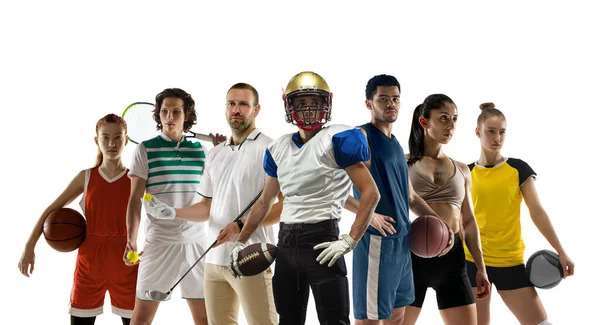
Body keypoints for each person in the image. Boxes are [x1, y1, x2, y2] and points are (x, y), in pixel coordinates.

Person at [226, 71, 380, 325]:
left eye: (314, 104)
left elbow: (371, 193)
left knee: (335, 321)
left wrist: (351, 240)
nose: (308, 110)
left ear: (326, 105)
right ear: (290, 107)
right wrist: (239, 243)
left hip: (323, 242)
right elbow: (265, 202)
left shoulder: (338, 139)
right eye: (301, 104)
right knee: (287, 320)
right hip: (286, 245)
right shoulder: (278, 148)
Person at [143, 83, 281, 325]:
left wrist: (240, 226)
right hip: (214, 261)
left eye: (243, 104)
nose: (236, 110)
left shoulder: (271, 148)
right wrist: (173, 212)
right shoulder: (216, 154)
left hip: (250, 257)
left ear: (256, 110)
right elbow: (206, 209)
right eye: (231, 104)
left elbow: (285, 206)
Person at [344, 75, 452, 324]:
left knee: (398, 314)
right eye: (383, 98)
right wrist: (368, 214)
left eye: (395, 98)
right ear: (369, 103)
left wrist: (442, 225)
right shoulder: (359, 137)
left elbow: (411, 198)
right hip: (375, 244)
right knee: (369, 319)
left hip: (403, 244)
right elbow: (330, 189)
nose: (390, 103)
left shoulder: (395, 144)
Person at [18, 113, 137, 325]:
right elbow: (51, 210)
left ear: (126, 139)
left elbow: (161, 214)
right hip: (90, 262)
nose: (112, 143)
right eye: (105, 137)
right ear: (97, 140)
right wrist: (29, 246)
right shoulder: (87, 177)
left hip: (126, 259)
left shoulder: (136, 178)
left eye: (118, 137)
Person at [464, 102, 575, 325]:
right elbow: (461, 220)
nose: (497, 138)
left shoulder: (518, 169)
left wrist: (561, 251)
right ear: (478, 132)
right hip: (472, 261)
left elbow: (537, 212)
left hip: (508, 260)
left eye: (502, 132)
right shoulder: (466, 172)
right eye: (491, 131)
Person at [402, 94, 491, 325]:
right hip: (411, 257)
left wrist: (481, 268)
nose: (451, 125)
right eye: (443, 118)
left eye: (454, 119)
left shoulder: (462, 169)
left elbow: (469, 222)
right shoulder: (402, 163)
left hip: (452, 260)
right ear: (424, 122)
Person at [124, 88, 209, 325]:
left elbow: (211, 202)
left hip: (197, 244)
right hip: (159, 243)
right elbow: (134, 200)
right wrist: (131, 239)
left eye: (176, 112)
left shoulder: (203, 151)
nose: (169, 117)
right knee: (141, 319)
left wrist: (225, 150)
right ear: (158, 115)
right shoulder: (145, 149)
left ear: (187, 116)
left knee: (204, 319)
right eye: (164, 111)